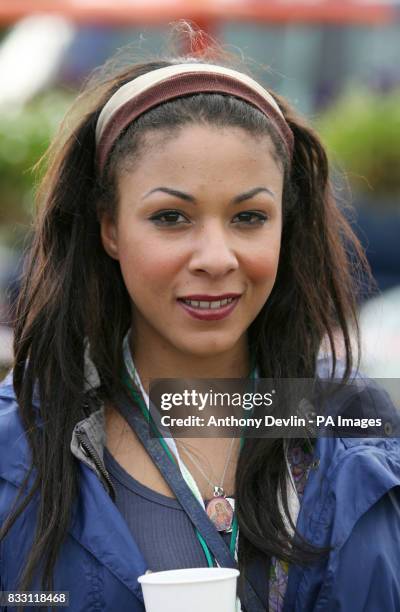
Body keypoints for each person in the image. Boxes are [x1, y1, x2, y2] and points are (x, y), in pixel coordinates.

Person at [1, 30, 400, 612]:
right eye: (171, 217)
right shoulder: (19, 449)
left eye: (248, 217)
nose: (217, 258)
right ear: (109, 228)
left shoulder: (356, 427)